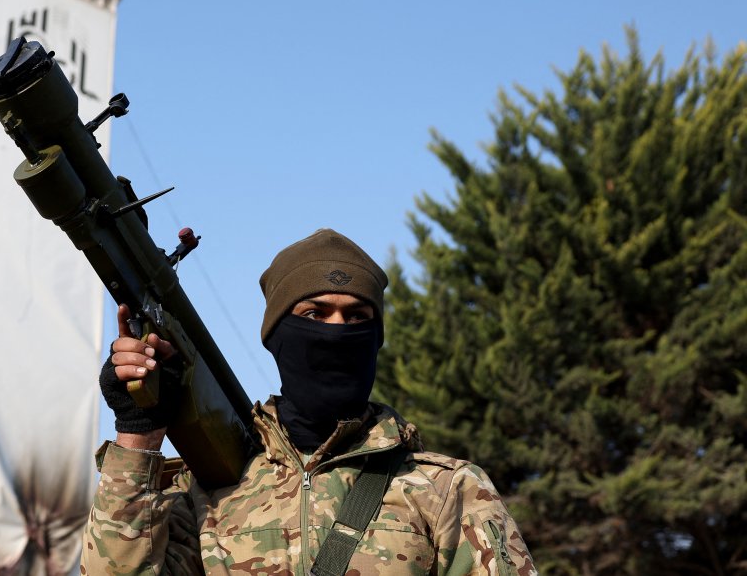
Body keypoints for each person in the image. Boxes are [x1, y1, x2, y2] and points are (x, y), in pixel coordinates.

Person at [86, 229, 537, 575]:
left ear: (375, 339)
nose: (336, 331)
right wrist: (137, 431)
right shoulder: (205, 488)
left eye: (356, 317)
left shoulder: (446, 491)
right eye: (314, 314)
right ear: (276, 336)